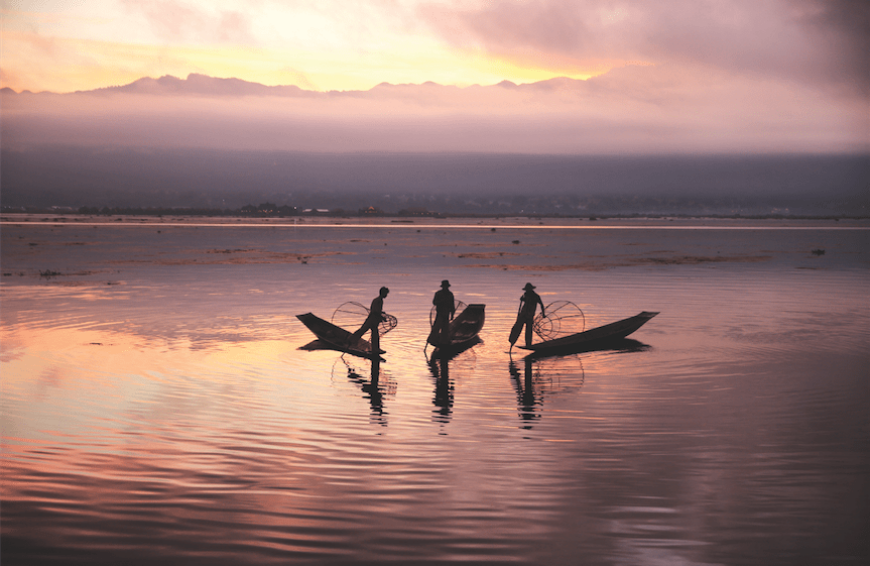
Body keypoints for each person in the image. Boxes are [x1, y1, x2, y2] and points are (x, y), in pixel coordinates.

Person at [350, 286, 389, 351]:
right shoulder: (378, 301)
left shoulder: (379, 300)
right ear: (382, 293)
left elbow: (376, 310)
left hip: (374, 321)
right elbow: (374, 311)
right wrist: (382, 317)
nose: (386, 295)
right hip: (371, 320)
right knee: (363, 330)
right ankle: (351, 340)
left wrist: (381, 312)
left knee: (374, 335)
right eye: (386, 294)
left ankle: (375, 349)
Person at [510, 282, 545, 347]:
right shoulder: (525, 295)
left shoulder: (536, 296)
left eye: (528, 289)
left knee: (528, 331)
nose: (527, 291)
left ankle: (528, 344)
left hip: (530, 315)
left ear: (531, 289)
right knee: (517, 328)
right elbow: (524, 300)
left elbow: (541, 304)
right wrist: (522, 299)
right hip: (523, 314)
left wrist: (543, 314)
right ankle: (512, 341)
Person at [431, 280, 455, 346]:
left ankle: (444, 342)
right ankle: (433, 339)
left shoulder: (450, 294)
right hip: (439, 313)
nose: (445, 288)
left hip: (446, 314)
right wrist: (441, 301)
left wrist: (452, 314)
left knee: (445, 328)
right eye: (444, 286)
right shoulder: (438, 294)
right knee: (436, 327)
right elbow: (434, 302)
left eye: (446, 286)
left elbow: (452, 305)